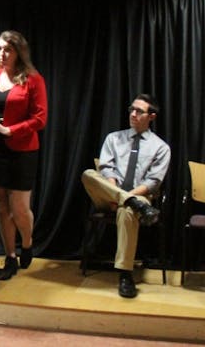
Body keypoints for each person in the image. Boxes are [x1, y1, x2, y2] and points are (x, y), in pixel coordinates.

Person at [0, 31, 47, 280]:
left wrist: (9, 130)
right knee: (1, 205)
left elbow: (40, 118)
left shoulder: (33, 79)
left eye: (7, 49)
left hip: (23, 150)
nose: (2, 54)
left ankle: (26, 243)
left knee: (19, 209)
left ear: (19, 52)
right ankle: (9, 257)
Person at [81, 94, 169, 298]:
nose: (133, 114)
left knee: (128, 209)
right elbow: (106, 170)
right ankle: (129, 202)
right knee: (88, 174)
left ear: (152, 117)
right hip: (107, 194)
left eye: (139, 111)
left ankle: (125, 274)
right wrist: (117, 195)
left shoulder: (161, 147)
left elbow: (153, 182)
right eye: (132, 109)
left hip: (141, 197)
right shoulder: (113, 138)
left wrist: (127, 198)